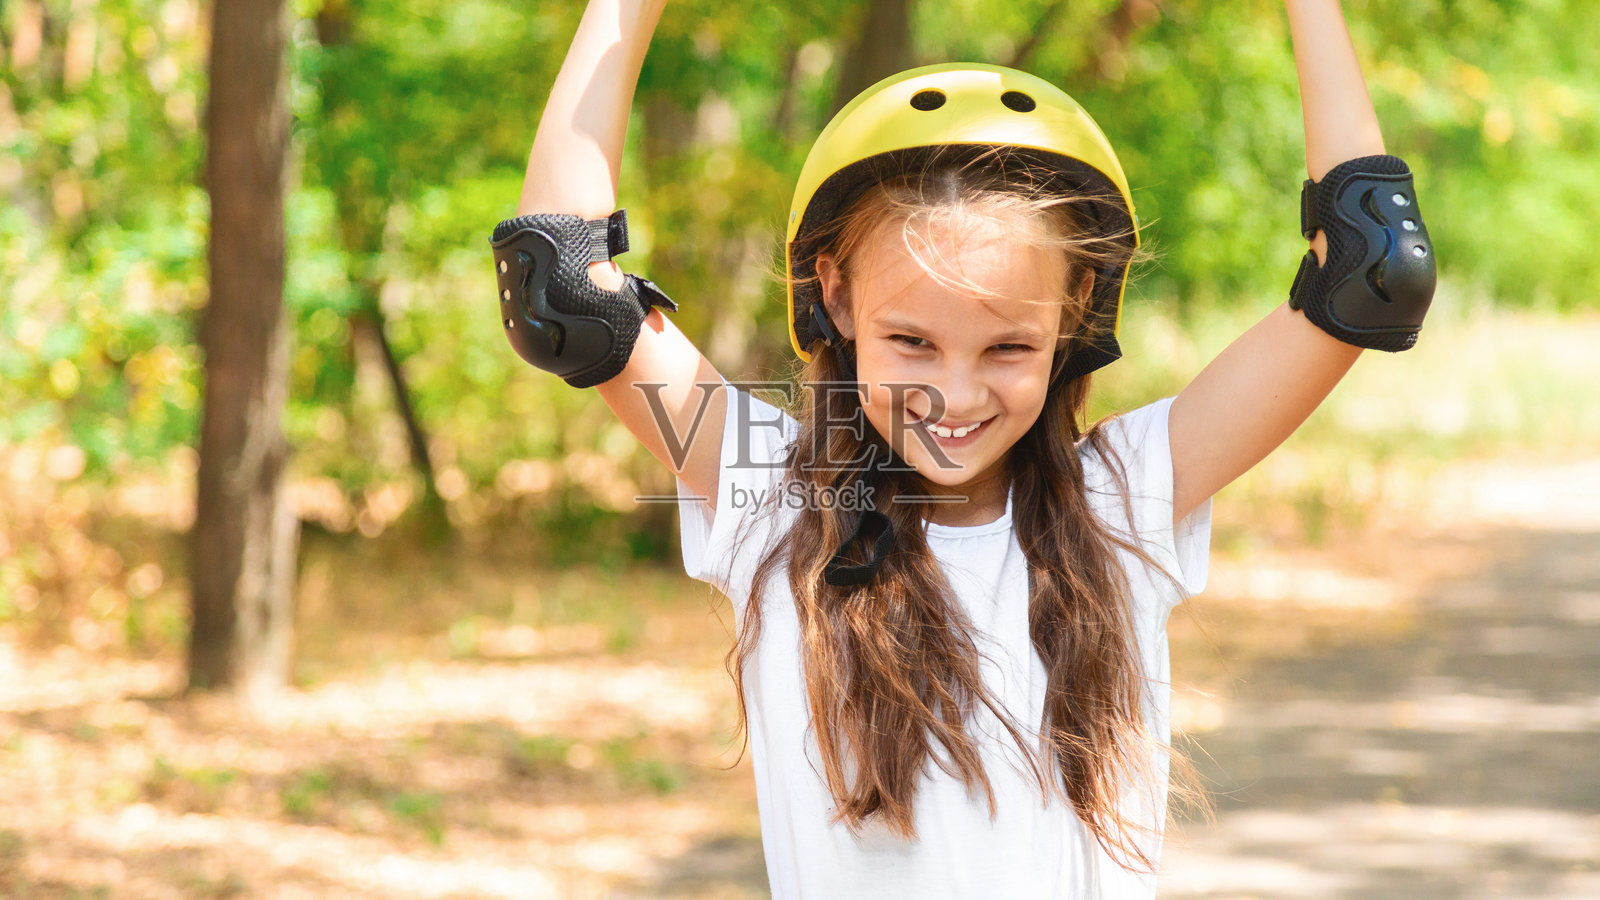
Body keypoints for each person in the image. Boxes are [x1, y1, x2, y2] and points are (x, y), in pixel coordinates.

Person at [490, 0, 1435, 895]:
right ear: (839, 295)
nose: (954, 394)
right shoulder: (769, 494)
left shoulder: (1127, 496)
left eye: (1009, 348)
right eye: (912, 342)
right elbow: (561, 293)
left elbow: (1374, 276)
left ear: (1070, 319)